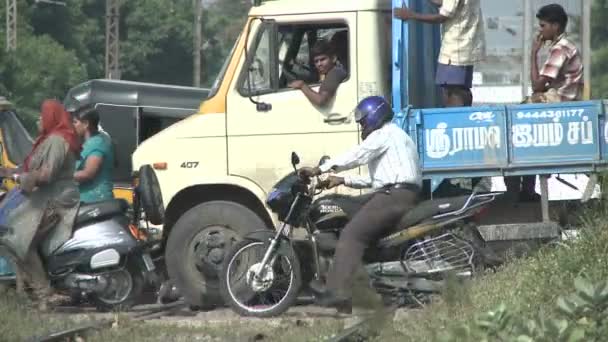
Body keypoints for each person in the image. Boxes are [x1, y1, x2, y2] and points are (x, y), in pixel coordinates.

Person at [298, 96, 422, 312]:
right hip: (391, 192)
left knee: (352, 234)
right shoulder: (393, 137)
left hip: (395, 195)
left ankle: (338, 292)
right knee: (347, 208)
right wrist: (343, 180)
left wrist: (322, 168)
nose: (362, 127)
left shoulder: (384, 134)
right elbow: (376, 179)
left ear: (375, 116)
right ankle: (360, 279)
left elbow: (357, 155)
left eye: (363, 121)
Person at [0, 99, 80, 310]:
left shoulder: (57, 140)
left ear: (52, 117)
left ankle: (45, 293)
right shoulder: (49, 139)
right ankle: (27, 292)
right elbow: (30, 167)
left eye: (42, 115)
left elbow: (46, 175)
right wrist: (10, 173)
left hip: (56, 198)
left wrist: (19, 179)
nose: (38, 119)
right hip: (45, 196)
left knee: (21, 241)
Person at [506, 4, 584, 202]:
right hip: (559, 99)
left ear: (555, 26)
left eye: (543, 26)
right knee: (522, 121)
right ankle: (525, 187)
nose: (540, 30)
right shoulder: (563, 46)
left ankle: (520, 186)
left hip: (560, 102)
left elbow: (537, 86)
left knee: (516, 120)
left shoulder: (561, 48)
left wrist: (533, 53)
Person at [394, 0, 485, 107]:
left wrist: (411, 15)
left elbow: (443, 16)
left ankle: (455, 121)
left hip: (455, 51)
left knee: (452, 91)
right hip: (466, 48)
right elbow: (448, 4)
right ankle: (464, 119)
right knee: (461, 90)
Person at [73, 106, 115, 203]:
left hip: (95, 201)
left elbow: (88, 173)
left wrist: (60, 176)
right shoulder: (89, 142)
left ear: (86, 124)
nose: (72, 126)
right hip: (84, 199)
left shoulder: (98, 143)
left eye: (75, 122)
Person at [289, 40, 347, 107]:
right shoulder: (335, 70)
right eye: (316, 61)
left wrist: (302, 85)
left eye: (323, 59)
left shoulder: (335, 73)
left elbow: (321, 101)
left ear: (333, 58)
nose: (319, 64)